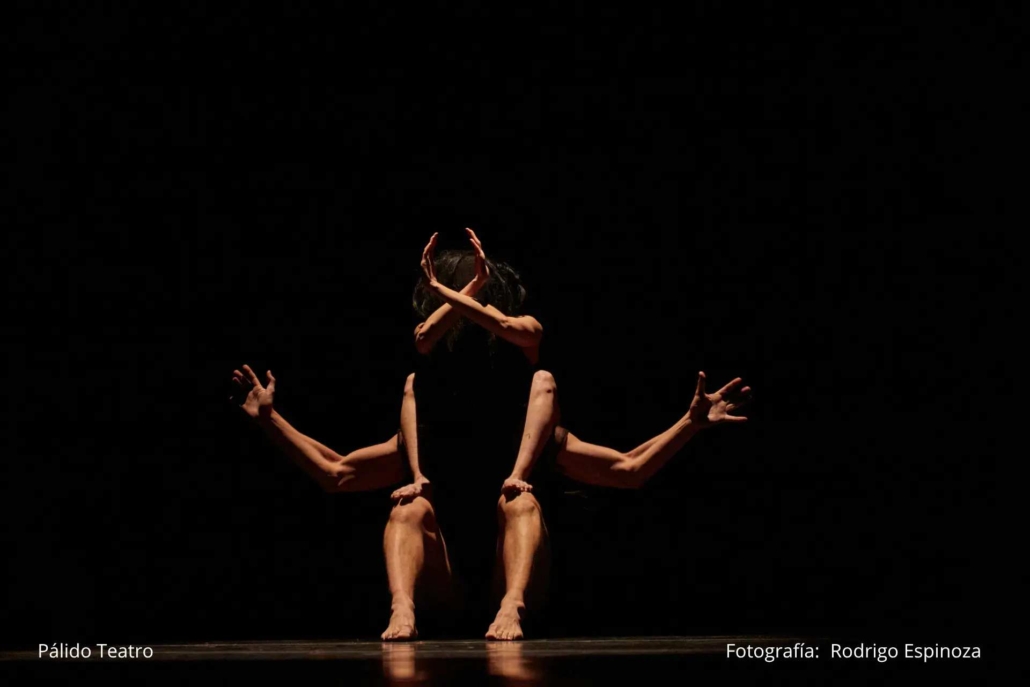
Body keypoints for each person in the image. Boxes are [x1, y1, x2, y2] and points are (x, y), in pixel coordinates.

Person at [230, 230, 752, 641]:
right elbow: (337, 472)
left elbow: (628, 469)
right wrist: (269, 420)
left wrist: (690, 424)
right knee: (409, 509)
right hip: (446, 589)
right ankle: (402, 608)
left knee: (519, 502)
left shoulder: (537, 425)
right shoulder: (424, 438)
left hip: (516, 589)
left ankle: (511, 606)